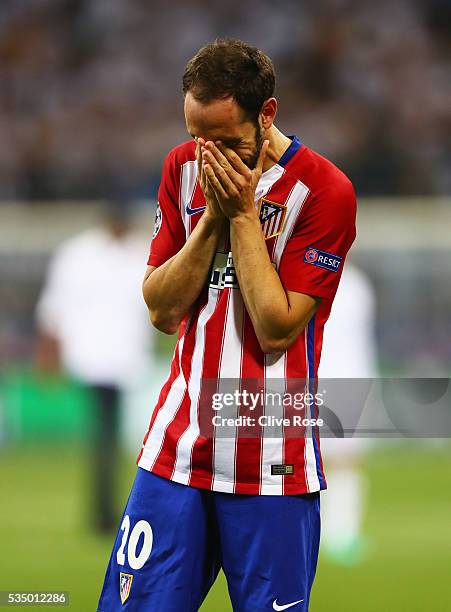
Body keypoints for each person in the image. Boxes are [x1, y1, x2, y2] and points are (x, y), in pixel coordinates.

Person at [98, 39, 357, 611]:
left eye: (228, 142)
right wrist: (213, 217)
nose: (209, 157)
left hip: (273, 458)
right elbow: (162, 310)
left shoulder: (325, 193)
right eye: (198, 139)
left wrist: (240, 215)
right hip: (177, 450)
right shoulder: (182, 169)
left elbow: (276, 328)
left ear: (267, 114)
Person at [35, 199, 155, 532]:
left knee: (108, 435)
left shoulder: (134, 253)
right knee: (105, 434)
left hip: (123, 357)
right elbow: (54, 307)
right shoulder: (79, 254)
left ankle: (104, 510)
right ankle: (104, 512)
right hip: (92, 355)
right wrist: (49, 354)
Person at [318, 262, 378, 565]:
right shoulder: (356, 283)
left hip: (319, 378)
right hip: (347, 378)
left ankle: (336, 532)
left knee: (312, 462)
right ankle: (341, 534)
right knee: (343, 461)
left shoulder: (314, 275)